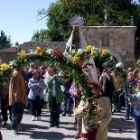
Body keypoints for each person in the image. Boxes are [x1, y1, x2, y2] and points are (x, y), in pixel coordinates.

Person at [9, 67, 26, 135]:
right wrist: (17, 98)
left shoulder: (18, 73)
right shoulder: (16, 74)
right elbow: (15, 88)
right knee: (16, 114)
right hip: (18, 99)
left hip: (20, 97)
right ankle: (15, 128)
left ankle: (16, 126)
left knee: (19, 114)